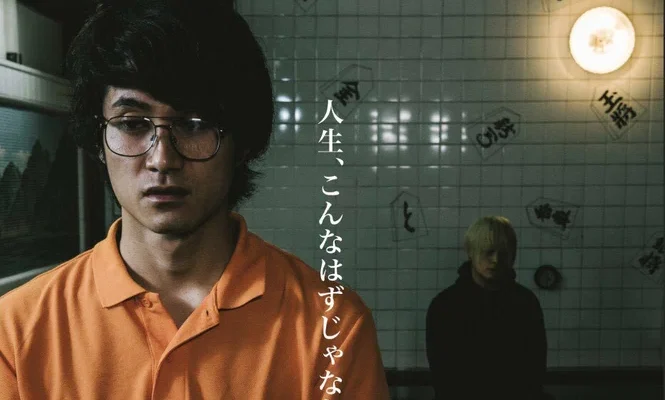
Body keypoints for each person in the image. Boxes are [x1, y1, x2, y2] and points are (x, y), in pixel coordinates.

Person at [0, 1, 389, 398]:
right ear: (98, 141)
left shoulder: (332, 327)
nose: (162, 158)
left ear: (242, 143)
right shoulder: (16, 332)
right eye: (132, 124)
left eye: (194, 123)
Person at [426, 216, 547, 400]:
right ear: (471, 252)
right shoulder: (445, 307)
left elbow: (535, 369)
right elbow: (443, 375)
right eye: (488, 252)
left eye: (503, 253)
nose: (496, 259)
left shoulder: (525, 303)